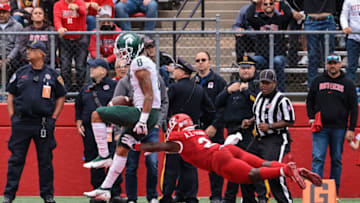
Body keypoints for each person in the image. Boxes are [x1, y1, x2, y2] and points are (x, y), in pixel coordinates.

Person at [121, 113, 323, 193]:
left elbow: (159, 147)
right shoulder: (197, 131)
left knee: (250, 176)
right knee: (262, 164)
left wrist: (135, 146)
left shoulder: (178, 140)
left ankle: (286, 170)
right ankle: (288, 169)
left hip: (218, 159)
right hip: (226, 149)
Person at [82, 32, 161, 201]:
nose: (120, 55)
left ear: (132, 50)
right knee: (122, 148)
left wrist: (142, 120)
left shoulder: (139, 63)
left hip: (145, 113)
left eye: (123, 51)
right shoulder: (139, 63)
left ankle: (103, 155)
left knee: (97, 115)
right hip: (145, 111)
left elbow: (149, 95)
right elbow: (144, 95)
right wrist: (129, 102)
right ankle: (105, 188)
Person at [3, 41, 67, 203]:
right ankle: (9, 195)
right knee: (15, 160)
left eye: (32, 50)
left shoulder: (52, 74)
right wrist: (13, 117)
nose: (28, 52)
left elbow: (61, 96)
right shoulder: (21, 72)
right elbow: (10, 95)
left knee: (45, 161)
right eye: (28, 49)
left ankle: (47, 195)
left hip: (43, 123)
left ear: (42, 54)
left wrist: (54, 118)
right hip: (22, 122)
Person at [112, 59, 168, 203]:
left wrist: (158, 122)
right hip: (131, 129)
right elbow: (116, 107)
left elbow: (164, 101)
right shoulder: (124, 82)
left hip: (151, 128)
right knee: (131, 165)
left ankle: (152, 197)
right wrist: (118, 130)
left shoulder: (156, 79)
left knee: (152, 163)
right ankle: (132, 198)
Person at [160, 57, 215, 203]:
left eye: (176, 69)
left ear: (182, 72)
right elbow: (210, 110)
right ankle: (190, 196)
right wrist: (200, 125)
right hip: (192, 133)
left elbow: (164, 107)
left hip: (175, 133)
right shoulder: (199, 89)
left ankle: (167, 196)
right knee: (190, 166)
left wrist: (165, 126)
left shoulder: (174, 88)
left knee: (171, 166)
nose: (174, 71)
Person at [216, 56, 268, 203]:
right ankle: (229, 198)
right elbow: (217, 102)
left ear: (254, 69)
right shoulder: (232, 85)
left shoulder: (258, 86)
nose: (245, 70)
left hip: (249, 132)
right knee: (232, 166)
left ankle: (262, 197)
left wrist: (246, 93)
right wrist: (227, 91)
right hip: (232, 131)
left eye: (248, 67)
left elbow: (260, 104)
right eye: (242, 67)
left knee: (251, 165)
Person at [306, 54, 358, 196]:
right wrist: (311, 117)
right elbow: (309, 101)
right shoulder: (317, 81)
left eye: (335, 63)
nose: (332, 66)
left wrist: (351, 129)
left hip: (339, 128)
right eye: (330, 63)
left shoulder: (348, 84)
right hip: (320, 127)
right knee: (318, 158)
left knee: (336, 159)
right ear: (326, 65)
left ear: (340, 65)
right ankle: (315, 193)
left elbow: (354, 108)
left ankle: (334, 192)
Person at [242, 69, 296, 202]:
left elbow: (290, 120)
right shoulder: (259, 96)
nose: (263, 86)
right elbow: (259, 114)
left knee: (273, 173)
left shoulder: (282, 100)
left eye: (267, 83)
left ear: (274, 83)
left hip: (276, 138)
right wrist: (250, 121)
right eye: (262, 83)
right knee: (244, 168)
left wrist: (270, 126)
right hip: (259, 139)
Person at [75, 59, 125, 203]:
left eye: (94, 67)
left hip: (109, 129)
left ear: (103, 70)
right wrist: (78, 122)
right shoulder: (86, 89)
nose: (91, 70)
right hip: (90, 131)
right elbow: (78, 106)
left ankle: (115, 193)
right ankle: (98, 193)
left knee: (112, 161)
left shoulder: (114, 86)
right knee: (93, 161)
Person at [192, 51, 226, 203]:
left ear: (210, 62)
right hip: (196, 129)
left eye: (203, 60)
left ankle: (216, 196)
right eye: (198, 60)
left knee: (216, 163)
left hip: (214, 130)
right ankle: (190, 195)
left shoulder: (219, 82)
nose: (200, 63)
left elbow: (224, 107)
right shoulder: (193, 82)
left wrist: (214, 126)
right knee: (190, 163)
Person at [246, 0, 292, 92]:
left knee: (277, 62)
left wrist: (281, 2)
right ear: (262, 6)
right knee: (252, 62)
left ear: (274, 5)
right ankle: (255, 92)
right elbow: (248, 17)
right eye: (265, 4)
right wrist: (255, 3)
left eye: (271, 3)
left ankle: (280, 93)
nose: (268, 5)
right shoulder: (259, 20)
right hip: (262, 56)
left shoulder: (280, 19)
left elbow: (289, 15)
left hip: (278, 55)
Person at [53, 0, 88, 92]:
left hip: (80, 39)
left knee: (80, 66)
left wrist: (77, 8)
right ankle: (66, 91)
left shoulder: (80, 2)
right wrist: (59, 28)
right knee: (65, 67)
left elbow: (84, 12)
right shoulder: (58, 4)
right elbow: (57, 19)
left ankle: (81, 91)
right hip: (65, 40)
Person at [303, 0, 337, 88]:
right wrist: (303, 10)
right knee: (312, 55)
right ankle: (312, 87)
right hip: (311, 20)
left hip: (328, 20)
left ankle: (330, 84)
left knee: (329, 56)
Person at [0, 2, 22, 80]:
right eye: (0, 12)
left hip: (12, 57)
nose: (1, 15)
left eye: (4, 12)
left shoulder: (17, 26)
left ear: (9, 13)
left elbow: (18, 45)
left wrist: (8, 59)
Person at [340, 0, 360, 83]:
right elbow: (343, 16)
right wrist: (345, 26)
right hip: (353, 38)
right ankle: (351, 90)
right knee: (351, 66)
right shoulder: (349, 1)